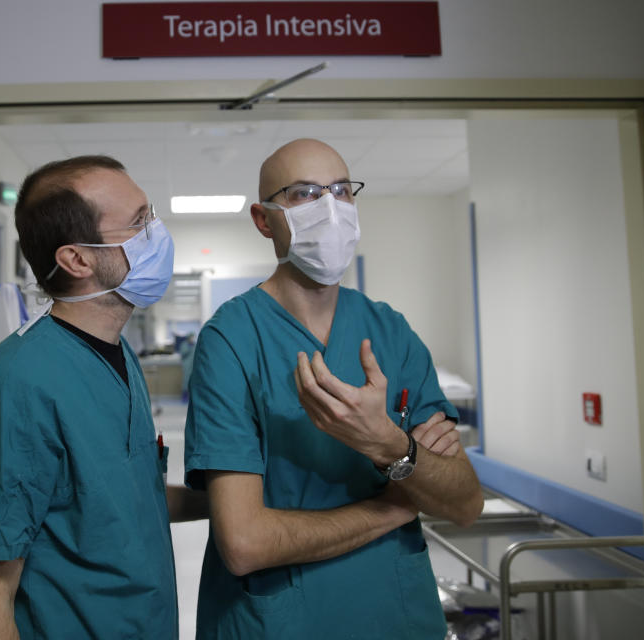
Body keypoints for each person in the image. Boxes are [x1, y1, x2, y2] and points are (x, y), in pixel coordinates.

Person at [184, 139, 484, 638]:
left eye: (342, 191)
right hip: (282, 621)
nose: (331, 208)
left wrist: (387, 443)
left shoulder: (390, 331)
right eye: (304, 194)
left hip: (395, 613)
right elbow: (245, 543)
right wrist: (399, 501)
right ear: (264, 220)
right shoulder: (231, 339)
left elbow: (465, 503)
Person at [0, 155, 207, 639]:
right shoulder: (16, 387)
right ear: (78, 259)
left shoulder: (117, 354)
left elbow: (123, 502)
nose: (156, 232)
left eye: (149, 216)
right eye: (139, 223)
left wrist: (232, 497)